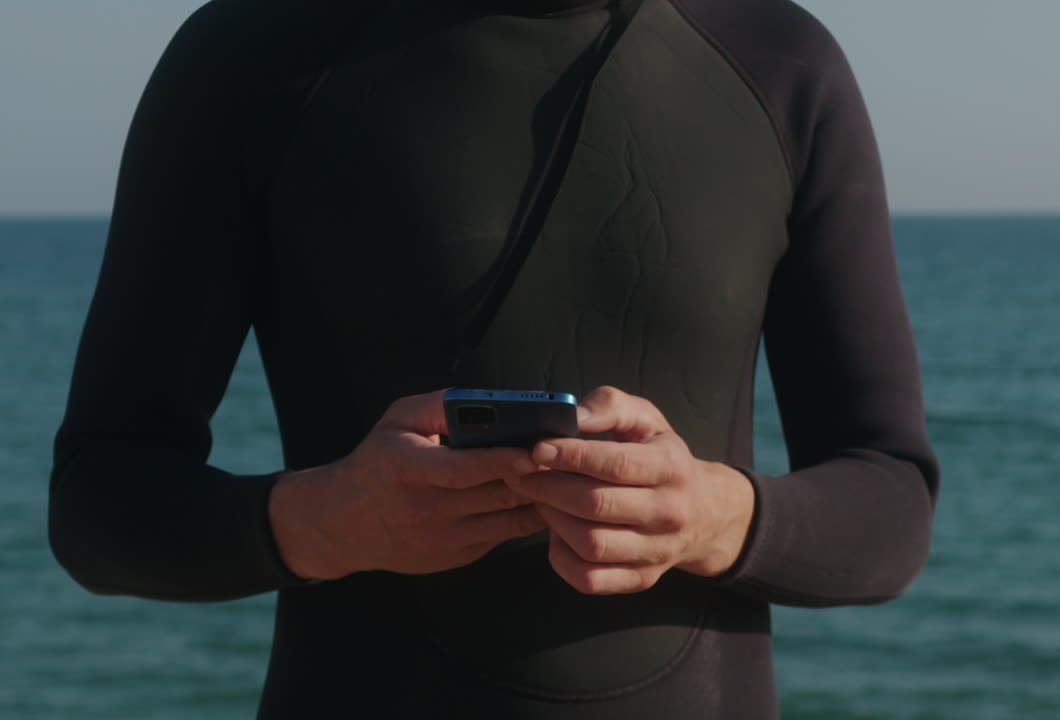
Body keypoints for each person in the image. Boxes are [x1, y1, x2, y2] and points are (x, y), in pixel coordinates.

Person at [49, 0, 940, 717]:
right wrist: (322, 522)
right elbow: (99, 499)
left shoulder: (781, 60)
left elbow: (892, 505)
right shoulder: (250, 56)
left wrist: (714, 517)